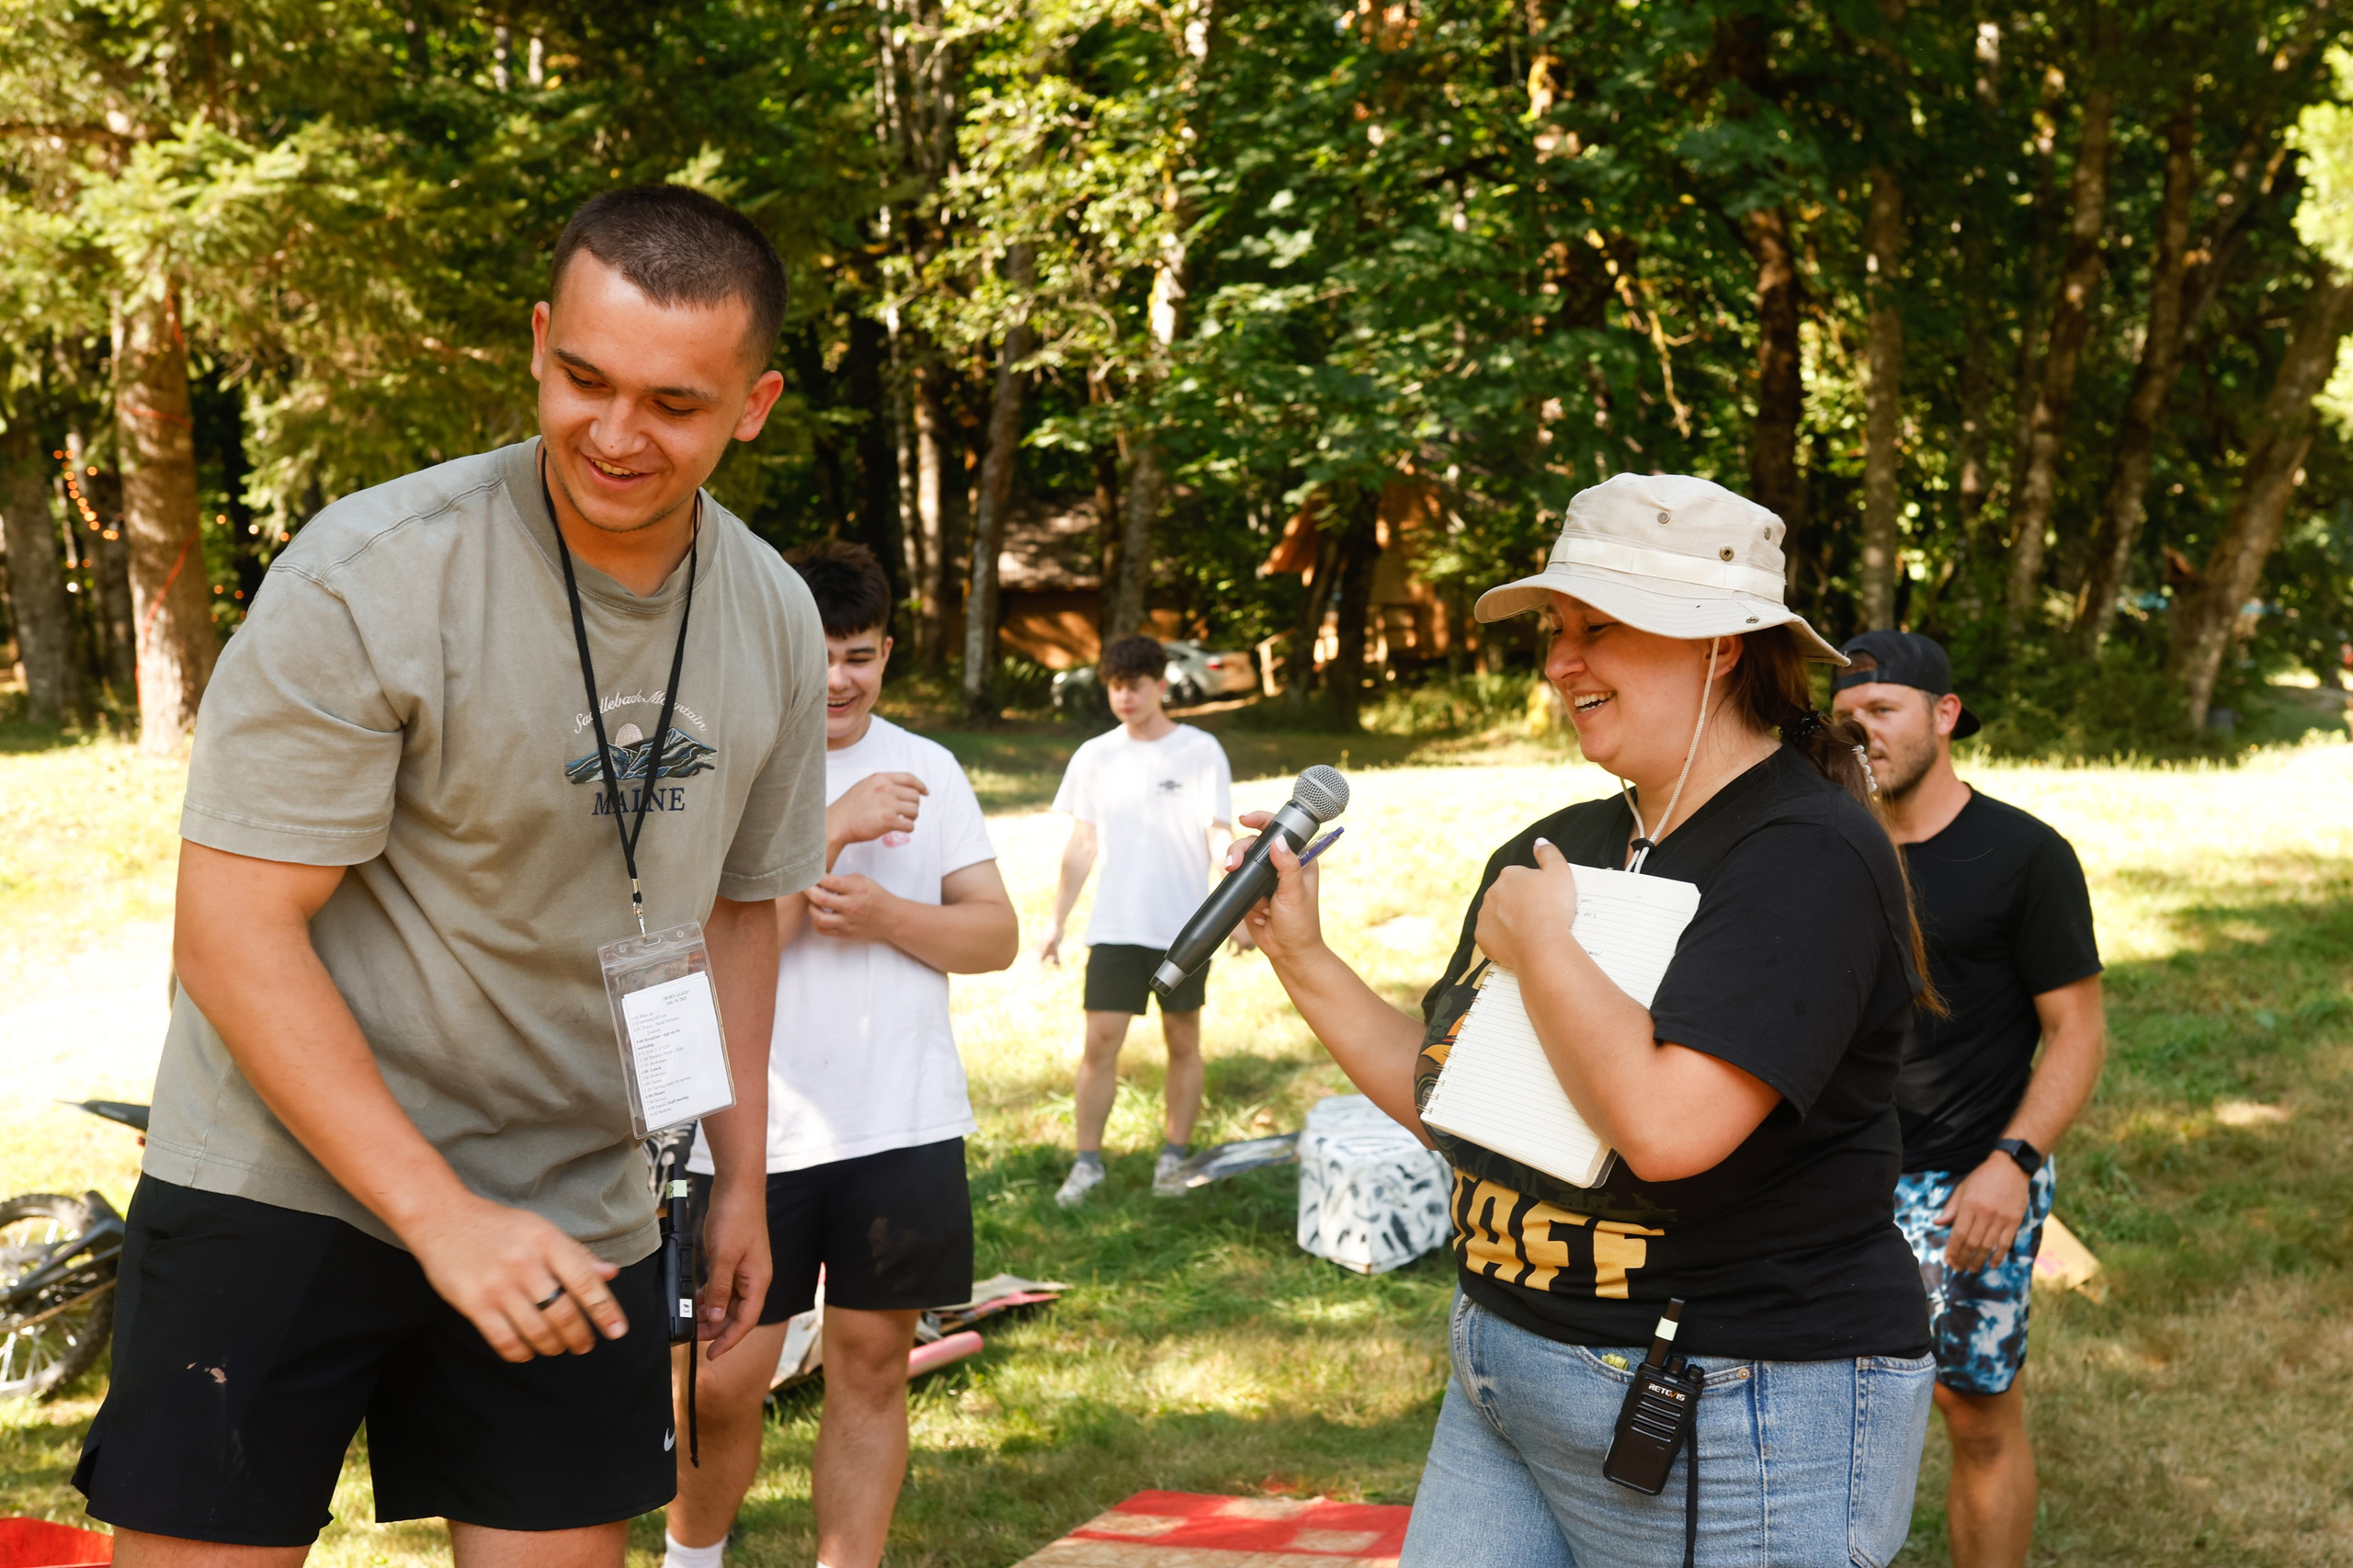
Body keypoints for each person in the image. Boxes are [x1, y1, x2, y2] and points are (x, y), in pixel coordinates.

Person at [74, 186, 828, 1568]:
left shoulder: (773, 610)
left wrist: (739, 1180)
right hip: (282, 1177)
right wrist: (437, 1215)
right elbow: (232, 928)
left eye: (673, 403)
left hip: (570, 1200)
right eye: (584, 379)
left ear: (754, 404)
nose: (614, 433)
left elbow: (736, 910)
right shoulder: (372, 574)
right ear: (540, 342)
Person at [1238, 473, 1939, 1566]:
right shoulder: (1562, 840)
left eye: (1598, 627)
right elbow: (1455, 1101)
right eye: (1557, 630)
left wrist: (1546, 950)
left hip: (1735, 1395)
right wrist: (1301, 951)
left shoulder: (1806, 857)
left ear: (1719, 642)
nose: (1560, 661)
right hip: (1506, 1365)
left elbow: (1669, 1126)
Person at [663, 541, 1017, 1568]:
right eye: (817, 654)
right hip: (751, 1128)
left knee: (871, 1365)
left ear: (888, 652)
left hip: (898, 1119)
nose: (838, 679)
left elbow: (991, 936)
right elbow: (698, 957)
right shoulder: (723, 764)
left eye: (859, 654)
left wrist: (892, 915)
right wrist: (827, 830)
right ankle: (694, 1558)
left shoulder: (931, 768)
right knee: (720, 1377)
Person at [1831, 630, 2105, 1568]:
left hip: (1963, 1185)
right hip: (1828, 1178)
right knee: (1814, 1411)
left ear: (1943, 715)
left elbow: (2077, 1030)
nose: (1861, 729)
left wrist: (2011, 1164)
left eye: (1882, 709)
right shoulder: (1826, 846)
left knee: (1975, 1415)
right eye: (1845, 716)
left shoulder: (2023, 853)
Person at [1038, 633, 1236, 1206]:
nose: (1124, 697)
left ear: (1159, 684)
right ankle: (1087, 1164)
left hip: (1186, 930)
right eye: (1115, 686)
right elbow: (1081, 845)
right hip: (1115, 928)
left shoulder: (1200, 750)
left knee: (1183, 1039)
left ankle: (1173, 1158)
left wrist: (1237, 916)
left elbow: (1218, 834)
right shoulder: (1095, 755)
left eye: (1135, 685)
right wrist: (1055, 923)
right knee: (1100, 1044)